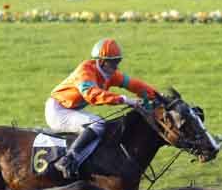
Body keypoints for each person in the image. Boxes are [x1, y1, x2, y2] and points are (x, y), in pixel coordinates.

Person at [45, 38, 158, 179]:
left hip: (70, 109)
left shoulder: (109, 74)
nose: (116, 67)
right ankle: (67, 160)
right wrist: (126, 100)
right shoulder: (85, 71)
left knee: (103, 127)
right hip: (57, 111)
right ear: (102, 61)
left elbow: (134, 84)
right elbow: (92, 95)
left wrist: (157, 95)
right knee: (97, 123)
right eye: (113, 62)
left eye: (118, 62)